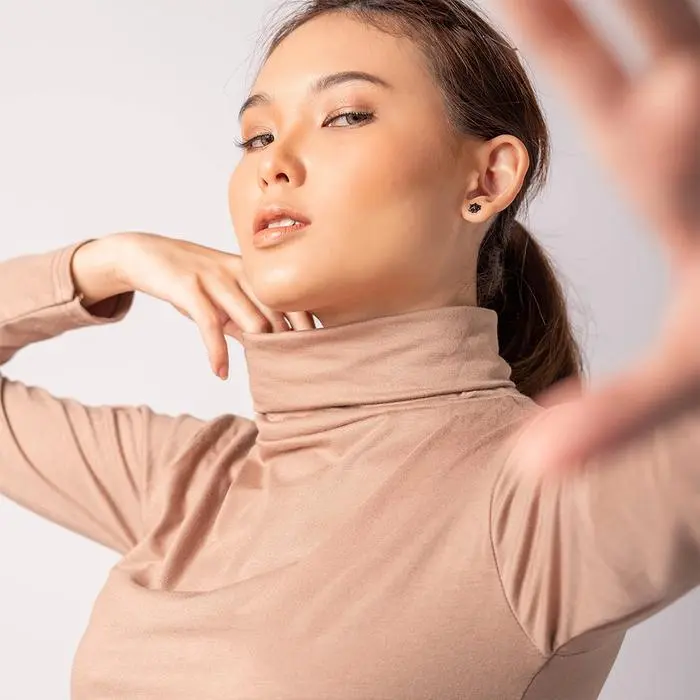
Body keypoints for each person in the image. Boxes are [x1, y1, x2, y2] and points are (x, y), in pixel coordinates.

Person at [0, 0, 698, 698]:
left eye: (345, 116)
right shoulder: (191, 482)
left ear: (487, 179)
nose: (274, 163)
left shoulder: (542, 499)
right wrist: (106, 262)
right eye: (256, 136)